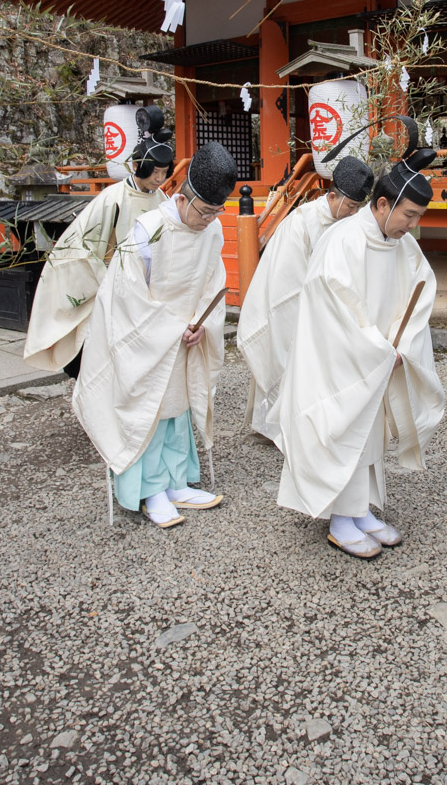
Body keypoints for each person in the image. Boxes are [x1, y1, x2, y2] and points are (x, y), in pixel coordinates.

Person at [274, 123, 445, 558]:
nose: (412, 225)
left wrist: (403, 346)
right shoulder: (341, 241)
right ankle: (340, 519)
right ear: (383, 204)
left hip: (380, 357)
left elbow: (420, 293)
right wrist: (375, 349)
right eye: (408, 215)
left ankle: (361, 510)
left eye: (418, 217)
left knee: (368, 431)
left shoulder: (404, 246)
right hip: (341, 363)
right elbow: (332, 310)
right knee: (343, 425)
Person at [73, 141, 236, 529]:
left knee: (178, 405)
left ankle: (176, 481)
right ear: (183, 198)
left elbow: (213, 281)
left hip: (185, 334)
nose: (211, 219)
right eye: (205, 210)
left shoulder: (211, 233)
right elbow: (127, 296)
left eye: (218, 211)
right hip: (147, 334)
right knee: (149, 406)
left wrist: (201, 321)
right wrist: (170, 328)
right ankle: (149, 489)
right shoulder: (149, 231)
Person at [24, 106, 174, 376]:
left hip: (145, 288)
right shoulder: (112, 199)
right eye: (155, 172)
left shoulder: (161, 200)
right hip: (111, 283)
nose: (160, 179)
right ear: (140, 166)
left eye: (164, 173)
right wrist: (109, 283)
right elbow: (83, 246)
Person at [238, 154, 375, 444]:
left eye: (358, 207)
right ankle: (275, 428)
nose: (353, 213)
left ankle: (310, 427)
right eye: (350, 206)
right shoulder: (302, 223)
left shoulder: (347, 222)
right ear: (333, 196)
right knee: (288, 358)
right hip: (294, 307)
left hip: (325, 308)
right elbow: (285, 285)